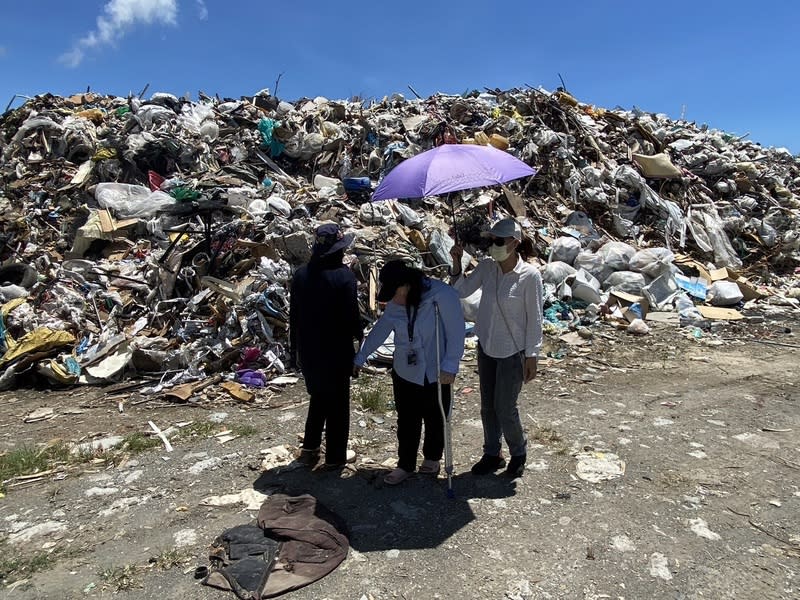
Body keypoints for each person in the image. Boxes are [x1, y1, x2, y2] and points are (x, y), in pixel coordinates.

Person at [353, 260, 465, 485]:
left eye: (395, 292)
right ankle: (405, 464)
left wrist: (450, 365)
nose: (392, 299)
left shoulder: (441, 295)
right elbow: (381, 329)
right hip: (405, 369)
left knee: (435, 416)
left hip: (436, 368)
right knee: (407, 418)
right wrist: (361, 357)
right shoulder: (396, 302)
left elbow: (456, 332)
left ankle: (432, 459)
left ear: (406, 285)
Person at [450, 217, 543, 478]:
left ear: (514, 243)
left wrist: (532, 355)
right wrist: (457, 263)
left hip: (513, 352)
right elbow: (461, 290)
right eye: (491, 241)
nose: (493, 246)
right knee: (487, 406)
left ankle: (519, 452)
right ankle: (492, 453)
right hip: (487, 346)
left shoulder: (529, 276)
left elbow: (535, 318)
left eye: (498, 241)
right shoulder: (487, 268)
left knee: (505, 406)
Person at [289, 223, 363, 469]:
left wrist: (294, 351)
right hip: (337, 350)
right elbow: (352, 319)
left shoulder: (301, 275)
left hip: (309, 350)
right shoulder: (344, 278)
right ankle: (334, 459)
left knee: (318, 397)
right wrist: (358, 349)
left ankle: (310, 449)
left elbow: (294, 316)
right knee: (339, 405)